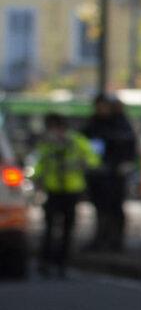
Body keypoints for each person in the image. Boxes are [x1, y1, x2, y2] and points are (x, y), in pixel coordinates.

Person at [28, 112, 99, 279]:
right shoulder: (47, 145)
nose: (53, 132)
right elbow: (37, 164)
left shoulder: (77, 141)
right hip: (52, 191)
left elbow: (94, 160)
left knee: (68, 229)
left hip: (71, 191)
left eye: (54, 128)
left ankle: (62, 264)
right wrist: (36, 179)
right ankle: (45, 263)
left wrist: (84, 163)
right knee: (49, 229)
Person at [83, 93, 136, 252]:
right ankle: (101, 238)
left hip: (114, 174)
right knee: (100, 208)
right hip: (98, 173)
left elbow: (128, 145)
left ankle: (115, 241)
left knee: (114, 208)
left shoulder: (120, 124)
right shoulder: (94, 123)